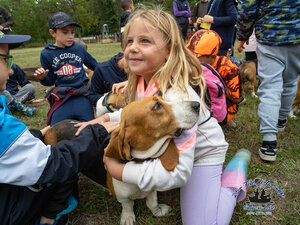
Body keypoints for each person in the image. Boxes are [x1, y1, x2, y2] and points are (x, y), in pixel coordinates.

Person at [74, 7, 251, 225]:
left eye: (145, 41)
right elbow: (142, 112)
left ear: (169, 49)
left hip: (201, 156)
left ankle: (233, 181)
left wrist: (120, 170)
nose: (133, 48)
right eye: (129, 41)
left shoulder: (178, 95)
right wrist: (107, 118)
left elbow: (178, 173)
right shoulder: (142, 79)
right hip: (174, 148)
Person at [0, 32, 119, 225]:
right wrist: (98, 131)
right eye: (6, 61)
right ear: (53, 32)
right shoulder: (3, 127)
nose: (12, 71)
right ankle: (48, 217)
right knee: (67, 159)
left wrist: (36, 134)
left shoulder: (80, 50)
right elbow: (55, 164)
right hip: (9, 214)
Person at [236, 0, 300, 162]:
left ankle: (269, 142)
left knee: (270, 87)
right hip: (297, 37)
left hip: (271, 35)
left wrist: (243, 35)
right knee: (291, 81)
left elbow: (247, 6)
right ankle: (281, 120)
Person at [33, 12, 98, 126]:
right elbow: (50, 81)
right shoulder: (46, 53)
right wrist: (42, 78)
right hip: (62, 97)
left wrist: (114, 65)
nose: (70, 36)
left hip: (82, 94)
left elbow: (96, 66)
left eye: (72, 32)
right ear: (52, 33)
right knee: (54, 129)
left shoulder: (79, 48)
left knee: (91, 128)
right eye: (65, 32)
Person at [187, 29, 243, 126]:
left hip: (223, 111)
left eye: (196, 57)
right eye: (190, 55)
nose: (191, 60)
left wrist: (219, 88)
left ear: (212, 57)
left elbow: (237, 99)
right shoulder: (191, 64)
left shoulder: (229, 69)